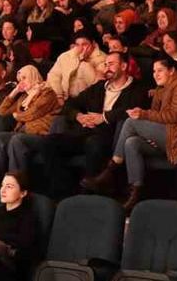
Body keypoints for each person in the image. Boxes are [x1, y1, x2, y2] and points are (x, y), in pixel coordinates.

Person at [83, 59, 177, 211]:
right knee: (132, 143)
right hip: (166, 134)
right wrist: (147, 125)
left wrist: (143, 114)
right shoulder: (161, 88)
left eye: (160, 70)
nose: (155, 74)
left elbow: (174, 117)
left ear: (171, 71)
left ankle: (111, 170)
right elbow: (156, 115)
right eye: (154, 71)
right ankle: (135, 195)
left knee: (131, 123)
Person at [42, 51, 147, 197]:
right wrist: (78, 116)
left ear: (123, 66)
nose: (107, 68)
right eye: (105, 64)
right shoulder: (98, 87)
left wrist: (104, 117)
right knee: (49, 142)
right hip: (84, 131)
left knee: (94, 143)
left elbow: (133, 110)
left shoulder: (137, 89)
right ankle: (63, 191)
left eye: (111, 64)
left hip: (110, 135)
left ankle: (90, 194)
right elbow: (69, 104)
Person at [0, 66, 61, 188]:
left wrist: (16, 116)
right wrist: (14, 92)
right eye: (19, 79)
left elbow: (33, 113)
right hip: (23, 132)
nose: (22, 82)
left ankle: (16, 185)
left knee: (17, 139)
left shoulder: (47, 93)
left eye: (24, 78)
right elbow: (2, 112)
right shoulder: (23, 97)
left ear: (33, 76)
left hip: (41, 134)